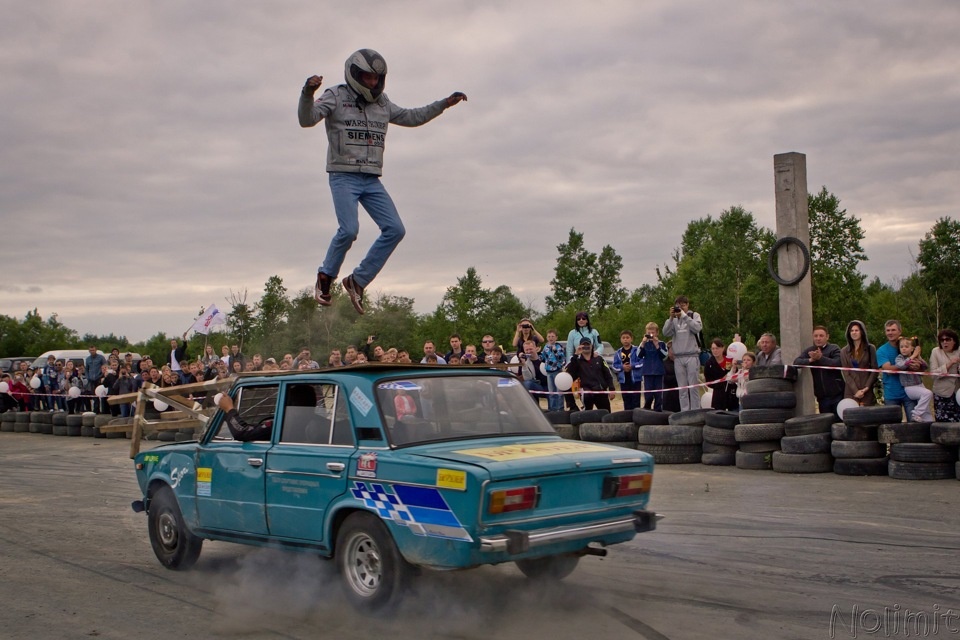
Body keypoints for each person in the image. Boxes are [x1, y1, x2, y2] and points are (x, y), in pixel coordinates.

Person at [300, 49, 468, 314]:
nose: (372, 83)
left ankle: (357, 281)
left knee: (395, 229)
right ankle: (325, 277)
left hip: (371, 179)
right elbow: (306, 119)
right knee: (349, 230)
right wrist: (307, 94)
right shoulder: (335, 96)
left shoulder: (382, 103)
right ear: (354, 75)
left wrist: (444, 103)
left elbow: (412, 117)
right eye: (367, 78)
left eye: (376, 78)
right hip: (343, 175)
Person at [793, 326, 845, 417]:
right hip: (822, 397)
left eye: (821, 336)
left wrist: (821, 358)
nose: (818, 338)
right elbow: (796, 362)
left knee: (839, 421)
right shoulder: (810, 350)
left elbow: (837, 363)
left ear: (827, 337)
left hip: (837, 395)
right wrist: (810, 360)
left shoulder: (834, 348)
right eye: (816, 336)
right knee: (825, 422)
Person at [662, 296, 703, 411]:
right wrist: (671, 318)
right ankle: (684, 411)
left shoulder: (694, 315)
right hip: (678, 357)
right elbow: (665, 332)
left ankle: (695, 410)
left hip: (692, 355)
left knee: (693, 387)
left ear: (687, 305)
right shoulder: (674, 319)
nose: (680, 308)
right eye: (678, 306)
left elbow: (697, 328)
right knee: (682, 388)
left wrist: (684, 316)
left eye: (683, 306)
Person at [877, 320, 919, 420]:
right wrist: (909, 361)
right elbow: (888, 370)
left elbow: (919, 366)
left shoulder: (909, 346)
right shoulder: (881, 350)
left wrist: (917, 366)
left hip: (910, 392)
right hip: (891, 394)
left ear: (900, 331)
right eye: (888, 330)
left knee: (914, 423)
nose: (890, 333)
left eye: (893, 330)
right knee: (892, 425)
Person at [565, 338, 615, 412]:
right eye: (583, 345)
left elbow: (608, 374)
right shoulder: (576, 361)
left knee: (606, 413)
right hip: (586, 392)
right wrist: (576, 355)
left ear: (591, 346)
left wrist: (611, 389)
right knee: (587, 412)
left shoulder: (599, 359)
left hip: (600, 390)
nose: (586, 346)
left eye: (587, 344)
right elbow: (568, 374)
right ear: (580, 346)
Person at [839, 320, 878, 406]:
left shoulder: (870, 348)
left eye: (856, 330)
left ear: (862, 332)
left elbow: (875, 370)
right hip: (851, 391)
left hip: (866, 391)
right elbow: (846, 373)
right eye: (852, 330)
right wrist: (856, 391)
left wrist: (866, 387)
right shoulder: (844, 351)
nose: (854, 332)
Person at [894, 337, 934, 422]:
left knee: (926, 407)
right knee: (928, 393)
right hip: (910, 387)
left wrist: (918, 356)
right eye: (901, 347)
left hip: (919, 384)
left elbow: (925, 366)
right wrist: (912, 356)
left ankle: (928, 421)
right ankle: (916, 413)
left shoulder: (916, 357)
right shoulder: (899, 358)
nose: (903, 349)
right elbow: (901, 366)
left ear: (912, 348)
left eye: (906, 346)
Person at [929, 329, 960, 421]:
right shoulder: (935, 352)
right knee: (942, 423)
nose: (945, 342)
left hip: (958, 392)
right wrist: (949, 364)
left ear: (954, 341)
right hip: (942, 393)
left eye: (948, 339)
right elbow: (933, 375)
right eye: (942, 340)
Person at [639, 324, 669, 412]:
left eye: (653, 333)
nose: (651, 335)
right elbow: (638, 355)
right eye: (649, 333)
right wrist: (643, 343)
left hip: (658, 372)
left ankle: (658, 411)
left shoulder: (662, 343)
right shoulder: (644, 344)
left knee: (658, 395)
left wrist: (657, 346)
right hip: (647, 372)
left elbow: (665, 356)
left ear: (657, 333)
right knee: (648, 395)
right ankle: (647, 410)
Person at [612, 330, 642, 411]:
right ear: (621, 339)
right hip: (624, 380)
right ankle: (627, 416)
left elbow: (642, 362)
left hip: (635, 380)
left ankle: (636, 415)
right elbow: (614, 366)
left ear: (631, 339)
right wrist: (622, 367)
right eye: (623, 338)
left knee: (636, 400)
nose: (625, 339)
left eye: (627, 337)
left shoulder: (637, 350)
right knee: (626, 400)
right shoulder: (618, 352)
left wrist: (632, 366)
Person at [704, 338, 737, 411]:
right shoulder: (709, 364)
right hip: (718, 395)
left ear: (723, 348)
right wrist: (721, 382)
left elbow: (736, 374)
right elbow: (708, 381)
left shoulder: (729, 360)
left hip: (731, 393)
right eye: (713, 349)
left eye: (717, 348)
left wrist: (734, 368)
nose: (715, 351)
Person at [540, 330, 566, 412]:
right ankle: (553, 409)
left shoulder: (559, 347)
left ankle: (560, 408)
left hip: (557, 370)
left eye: (552, 336)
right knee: (551, 392)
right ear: (546, 338)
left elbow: (562, 358)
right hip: (548, 371)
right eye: (549, 336)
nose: (550, 338)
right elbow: (543, 358)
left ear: (556, 338)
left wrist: (555, 351)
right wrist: (537, 353)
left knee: (559, 391)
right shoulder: (546, 347)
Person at [518, 340, 548, 407]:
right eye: (526, 350)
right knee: (527, 384)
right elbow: (527, 379)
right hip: (534, 386)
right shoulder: (524, 362)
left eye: (531, 349)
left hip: (547, 385)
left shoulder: (543, 358)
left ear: (536, 348)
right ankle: (534, 407)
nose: (529, 351)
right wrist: (524, 364)